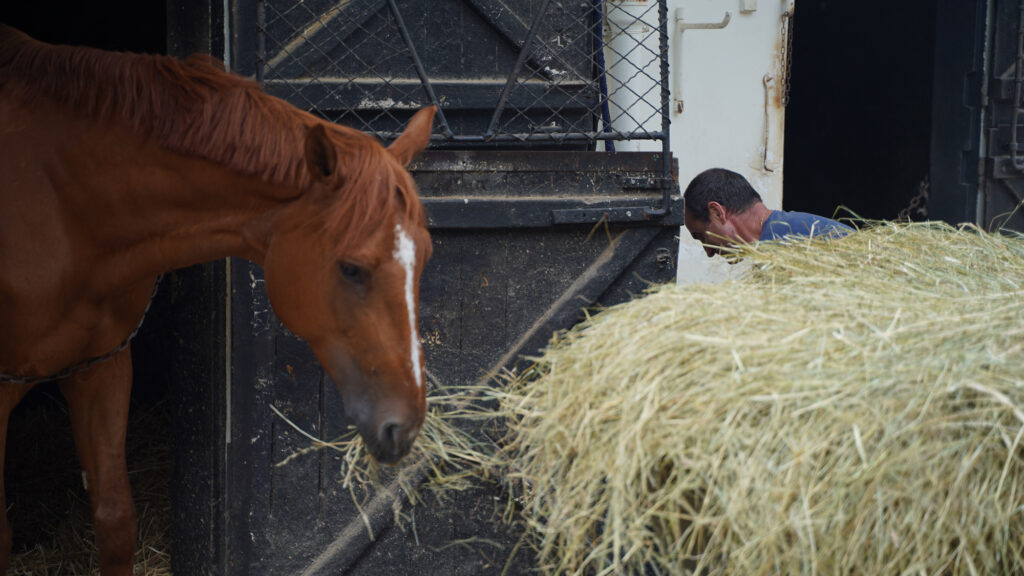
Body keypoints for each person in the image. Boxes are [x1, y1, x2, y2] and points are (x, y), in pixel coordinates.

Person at [683, 168, 853, 256]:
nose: (709, 252)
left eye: (701, 236)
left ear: (717, 213)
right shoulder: (788, 230)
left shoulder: (785, 246)